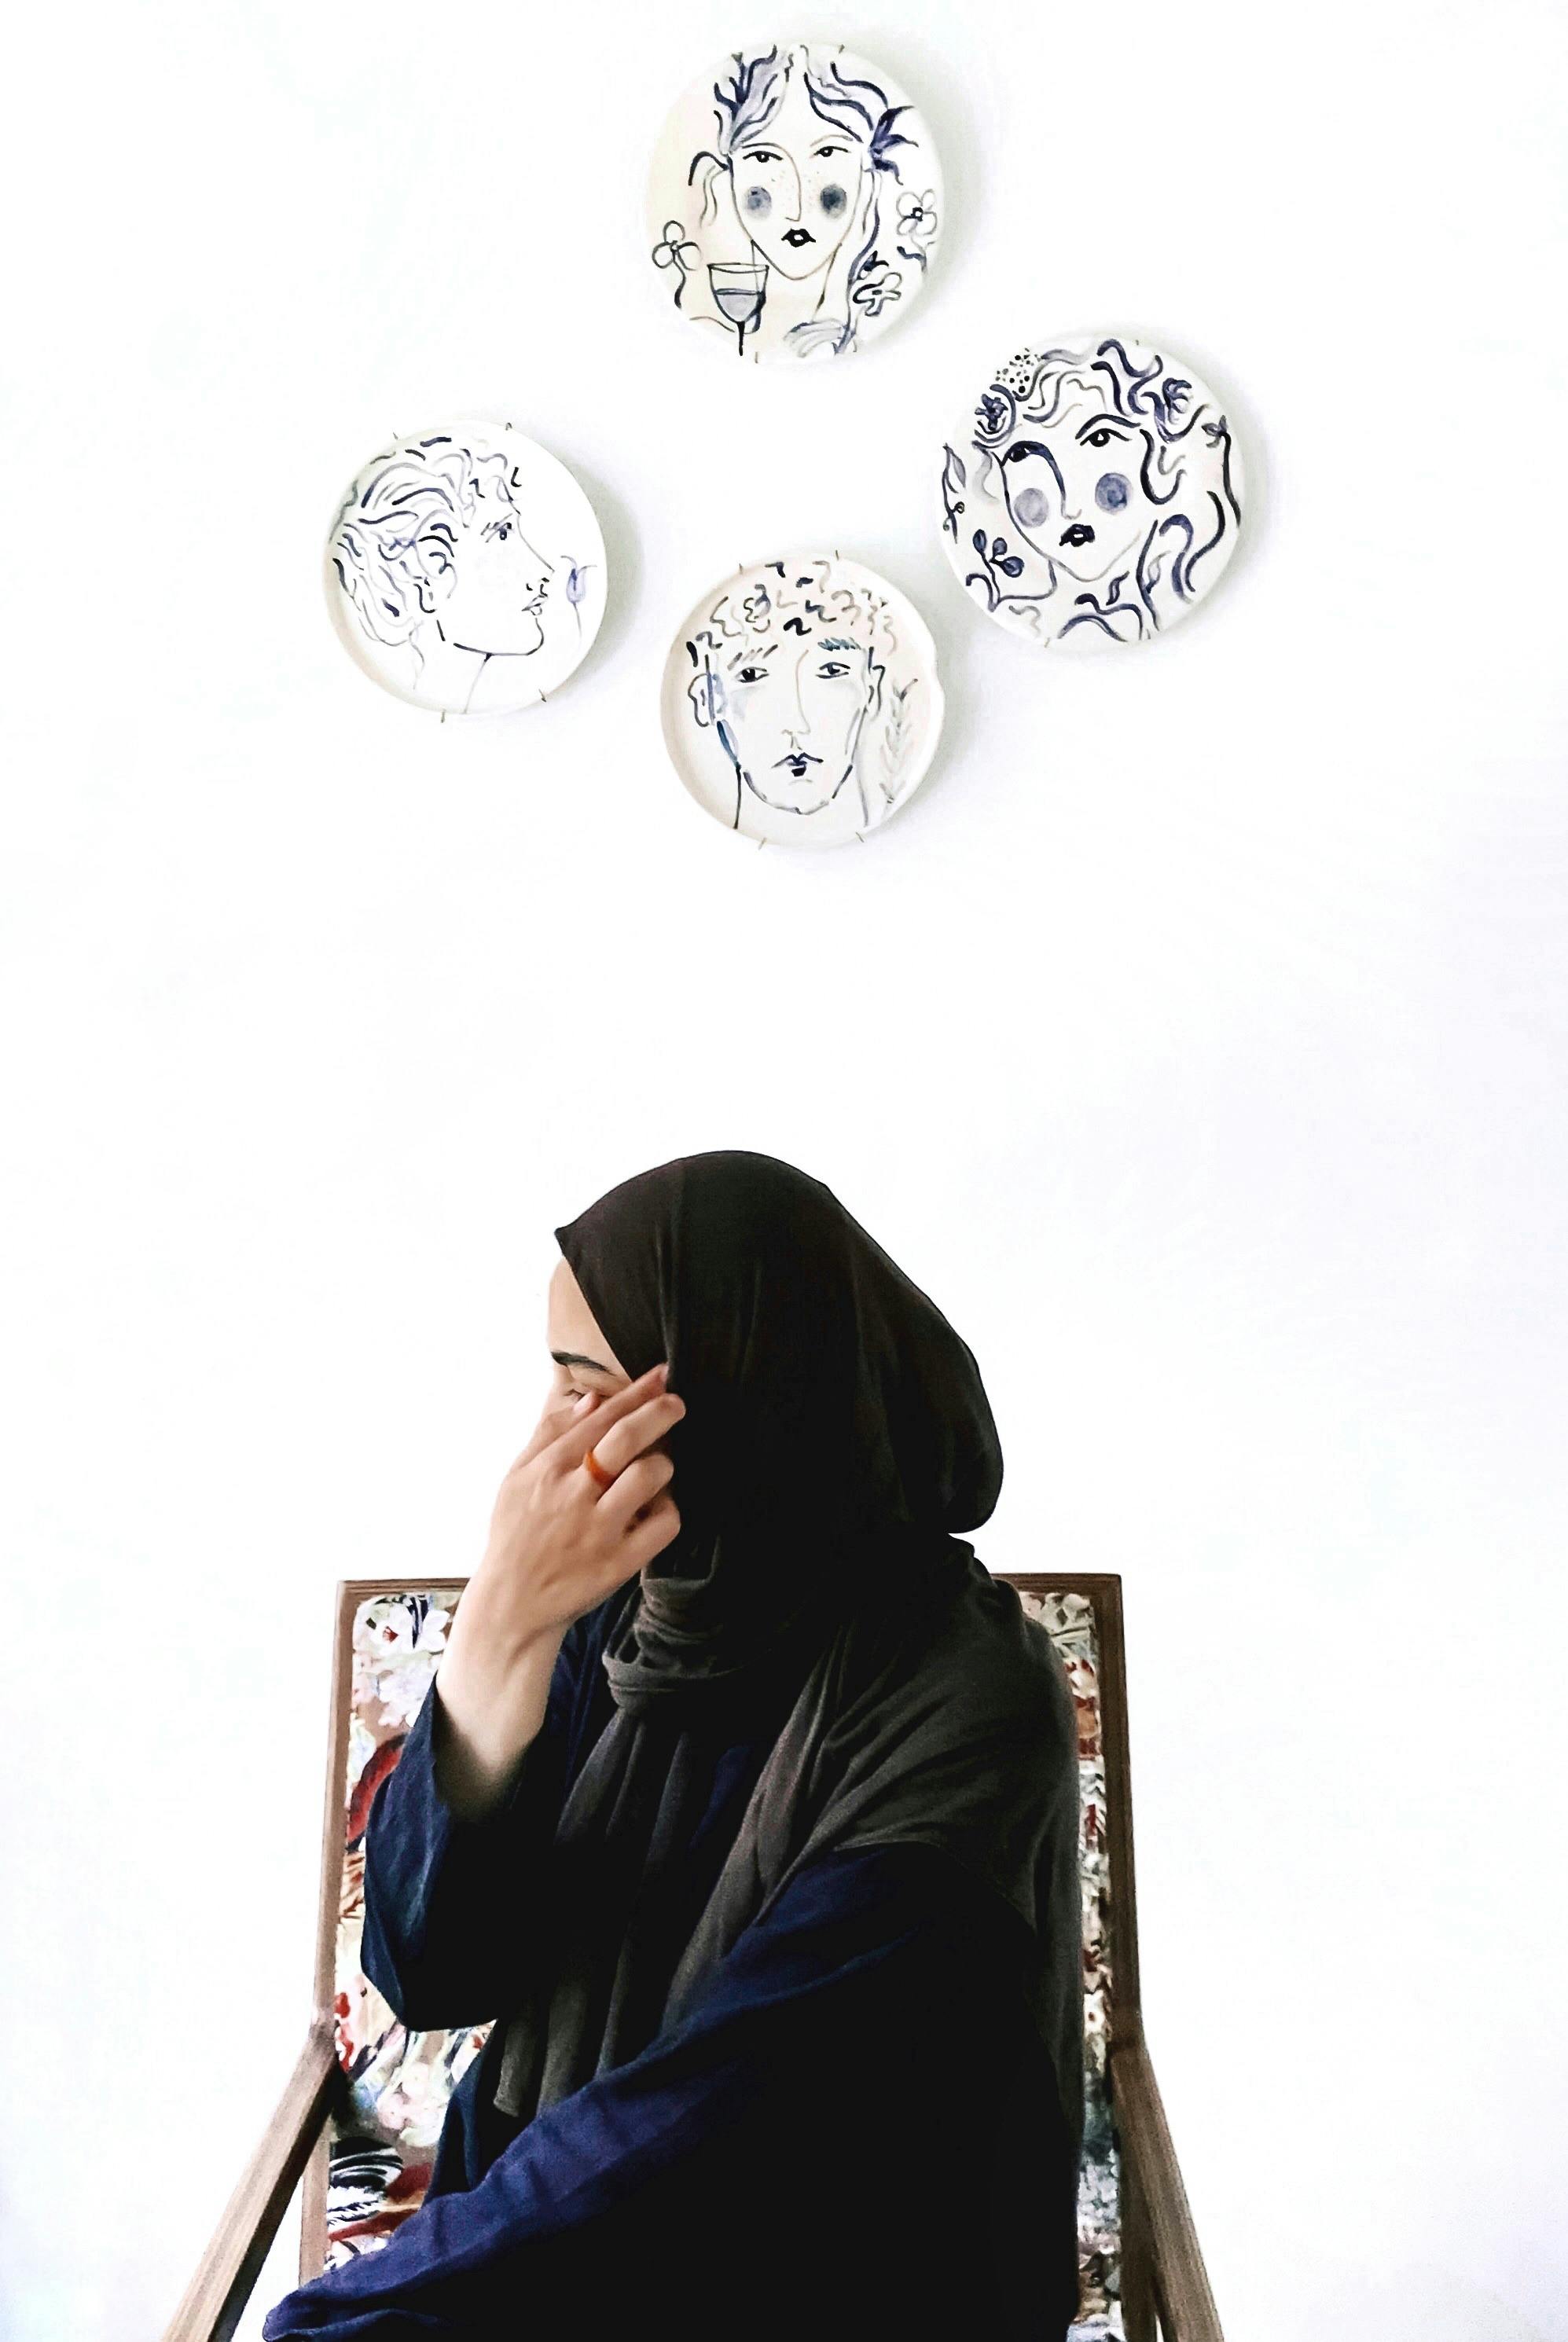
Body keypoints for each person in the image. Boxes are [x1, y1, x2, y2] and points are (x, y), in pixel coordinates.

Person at [263, 1150, 1085, 2339]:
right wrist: (499, 1625)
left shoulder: (964, 1695)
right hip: (575, 2242)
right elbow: (430, 1970)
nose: (553, 1438)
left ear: (747, 1391)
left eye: (587, 1385)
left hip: (846, 2271)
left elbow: (736, 2121)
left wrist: (352, 2317)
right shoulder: (632, 1603)